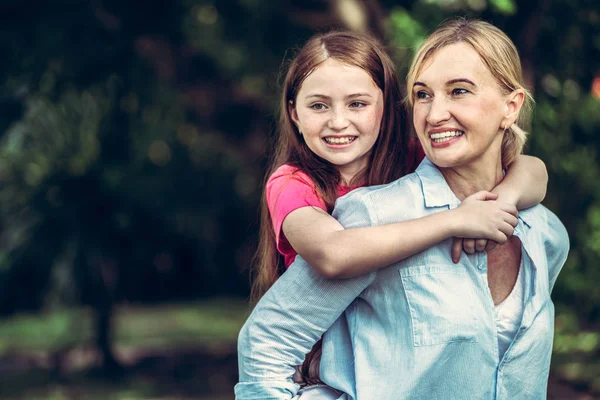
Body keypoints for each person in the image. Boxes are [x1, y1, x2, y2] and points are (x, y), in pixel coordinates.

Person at [236, 19, 569, 400]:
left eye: (459, 91)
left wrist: (502, 204)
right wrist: (455, 220)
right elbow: (321, 269)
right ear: (294, 113)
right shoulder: (344, 204)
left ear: (512, 107)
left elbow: (531, 168)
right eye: (423, 95)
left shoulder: (544, 234)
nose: (434, 113)